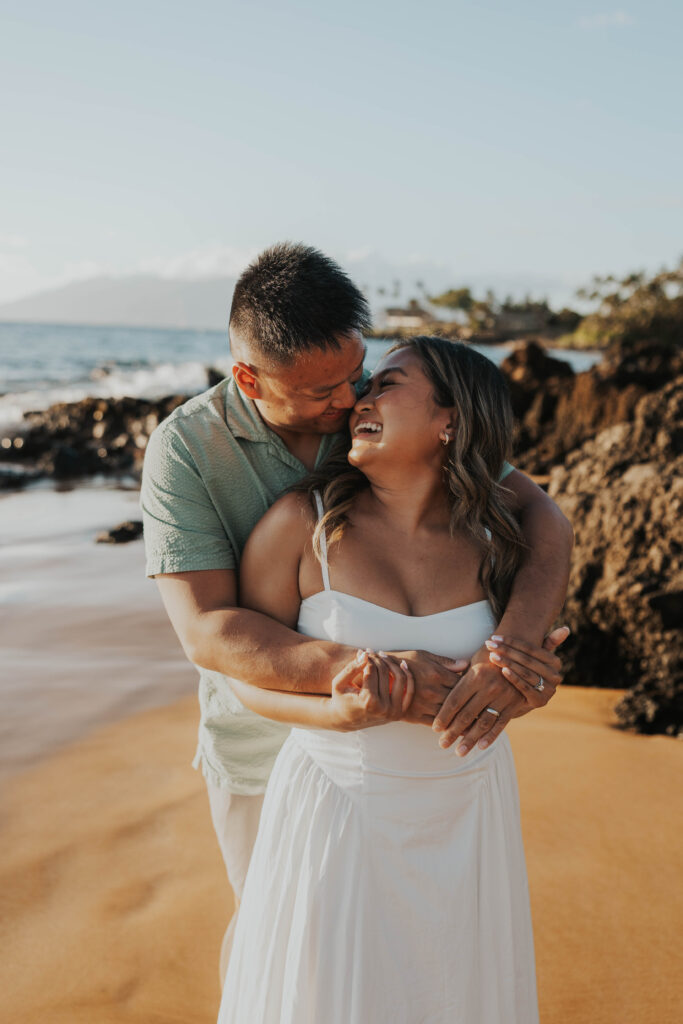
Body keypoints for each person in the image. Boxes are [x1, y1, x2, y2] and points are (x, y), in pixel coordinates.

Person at [141, 243, 572, 979]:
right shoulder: (188, 451)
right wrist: (367, 676)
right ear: (249, 378)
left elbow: (542, 518)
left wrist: (513, 651)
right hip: (262, 746)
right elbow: (208, 631)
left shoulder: (386, 422)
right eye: (321, 392)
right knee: (283, 957)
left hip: (442, 789)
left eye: (358, 374)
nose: (347, 402)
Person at [218, 337, 545, 1023]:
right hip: (336, 811)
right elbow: (241, 680)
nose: (360, 400)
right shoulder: (300, 527)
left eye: (387, 385)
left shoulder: (498, 543)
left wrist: (534, 684)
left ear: (448, 421)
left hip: (468, 815)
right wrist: (342, 713)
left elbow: (524, 669)